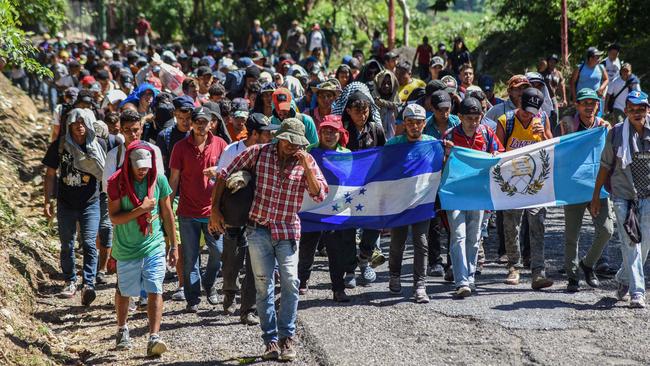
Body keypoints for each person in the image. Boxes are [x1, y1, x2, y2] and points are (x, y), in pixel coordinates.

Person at [209, 118, 328, 361]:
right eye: (288, 142)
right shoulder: (258, 153)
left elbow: (319, 195)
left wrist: (306, 165)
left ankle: (287, 337)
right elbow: (223, 174)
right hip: (258, 229)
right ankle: (271, 340)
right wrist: (215, 210)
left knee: (291, 282)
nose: (292, 147)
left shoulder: (306, 160)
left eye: (297, 144)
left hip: (287, 230)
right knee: (263, 285)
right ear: (279, 138)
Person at [107, 142, 177, 356]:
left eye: (146, 165)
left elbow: (167, 213)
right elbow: (114, 218)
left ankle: (154, 337)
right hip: (127, 247)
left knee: (155, 287)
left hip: (153, 244)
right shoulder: (116, 183)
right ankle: (122, 329)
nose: (142, 170)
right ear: (129, 163)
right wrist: (141, 210)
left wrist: (173, 245)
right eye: (138, 165)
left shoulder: (159, 180)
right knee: (124, 290)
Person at [211, 113, 278, 324]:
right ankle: (230, 291)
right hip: (234, 211)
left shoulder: (270, 152)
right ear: (255, 133)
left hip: (257, 214)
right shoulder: (233, 151)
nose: (270, 136)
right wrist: (215, 211)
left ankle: (248, 308)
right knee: (232, 258)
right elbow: (221, 178)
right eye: (266, 133)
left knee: (254, 261)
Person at [591, 91, 650, 308]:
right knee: (630, 242)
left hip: (648, 195)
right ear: (625, 111)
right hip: (623, 195)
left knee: (645, 245)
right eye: (632, 109)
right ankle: (637, 292)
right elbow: (605, 165)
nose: (637, 113)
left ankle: (624, 278)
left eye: (641, 109)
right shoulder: (616, 133)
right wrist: (596, 196)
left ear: (647, 110)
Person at [42, 108, 106, 305]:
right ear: (68, 125)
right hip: (66, 204)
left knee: (88, 243)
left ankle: (88, 284)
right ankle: (70, 280)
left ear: (89, 125)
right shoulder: (60, 146)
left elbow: (107, 174)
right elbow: (50, 174)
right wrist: (47, 200)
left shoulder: (98, 145)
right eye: (75, 123)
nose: (79, 127)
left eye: (83, 123)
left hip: (91, 203)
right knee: (67, 244)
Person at [443, 97, 504, 297]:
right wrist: (446, 153)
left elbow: (500, 154)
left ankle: (470, 277)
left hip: (478, 194)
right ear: (459, 117)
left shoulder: (487, 133)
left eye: (477, 117)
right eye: (469, 118)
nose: (473, 122)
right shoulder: (449, 136)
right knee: (458, 235)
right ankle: (461, 281)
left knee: (474, 237)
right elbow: (439, 165)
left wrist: (496, 156)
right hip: (455, 194)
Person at [168, 107, 228, 313]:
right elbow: (174, 179)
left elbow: (230, 173)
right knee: (190, 256)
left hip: (214, 211)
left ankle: (209, 284)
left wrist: (218, 172)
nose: (201, 125)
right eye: (198, 121)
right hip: (187, 210)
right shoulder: (180, 147)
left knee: (218, 252)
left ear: (212, 123)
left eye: (205, 121)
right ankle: (193, 298)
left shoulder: (220, 144)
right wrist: (167, 203)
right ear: (191, 124)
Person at [495, 88, 554, 289]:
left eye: (533, 111)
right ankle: (514, 267)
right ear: (519, 103)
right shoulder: (505, 121)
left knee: (537, 222)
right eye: (526, 110)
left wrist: (543, 136)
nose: (530, 115)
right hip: (512, 182)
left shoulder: (542, 118)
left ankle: (538, 271)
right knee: (511, 224)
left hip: (536, 183)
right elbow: (497, 151)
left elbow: (551, 146)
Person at [557, 89, 613, 292]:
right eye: (584, 103)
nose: (589, 106)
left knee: (607, 230)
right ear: (577, 105)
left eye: (593, 103)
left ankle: (588, 264)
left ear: (598, 105)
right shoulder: (566, 125)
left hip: (598, 187)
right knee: (572, 234)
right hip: (574, 187)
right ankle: (573, 276)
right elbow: (552, 149)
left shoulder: (604, 127)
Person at [332, 82, 386, 284]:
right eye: (357, 112)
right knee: (346, 231)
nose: (362, 116)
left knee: (374, 226)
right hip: (346, 190)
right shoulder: (341, 131)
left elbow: (384, 155)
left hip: (371, 189)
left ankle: (364, 259)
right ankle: (350, 271)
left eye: (365, 111)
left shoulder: (376, 129)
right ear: (348, 110)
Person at [298, 114, 356, 302]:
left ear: (340, 134)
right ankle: (301, 282)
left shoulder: (346, 154)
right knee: (306, 249)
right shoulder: (308, 151)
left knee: (335, 251)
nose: (328, 135)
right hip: (311, 208)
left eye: (333, 131)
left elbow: (344, 175)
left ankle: (338, 289)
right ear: (320, 132)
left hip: (334, 210)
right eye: (325, 131)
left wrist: (324, 160)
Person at [383, 104, 433, 303]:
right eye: (410, 122)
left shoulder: (432, 144)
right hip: (399, 203)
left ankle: (420, 285)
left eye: (418, 122)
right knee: (397, 243)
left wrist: (447, 151)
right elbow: (382, 170)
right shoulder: (393, 145)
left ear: (424, 124)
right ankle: (394, 275)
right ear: (404, 123)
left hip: (422, 202)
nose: (414, 126)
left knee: (422, 243)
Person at [570, 47, 608, 114]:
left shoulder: (601, 67)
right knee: (581, 118)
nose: (599, 59)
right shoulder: (580, 68)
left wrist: (601, 88)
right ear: (590, 58)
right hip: (582, 99)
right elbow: (572, 82)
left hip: (596, 99)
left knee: (596, 119)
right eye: (597, 57)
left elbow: (606, 79)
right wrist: (574, 96)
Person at [372, 69, 400, 139]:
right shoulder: (372, 100)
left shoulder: (397, 100)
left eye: (389, 83)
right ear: (379, 84)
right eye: (383, 83)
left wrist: (383, 103)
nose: (386, 86)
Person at [542, 54, 567, 128]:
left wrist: (564, 99)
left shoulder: (558, 73)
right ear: (547, 62)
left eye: (554, 61)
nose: (552, 63)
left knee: (555, 116)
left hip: (553, 98)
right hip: (543, 98)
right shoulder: (543, 72)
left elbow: (562, 86)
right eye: (550, 61)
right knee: (544, 117)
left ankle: (554, 134)